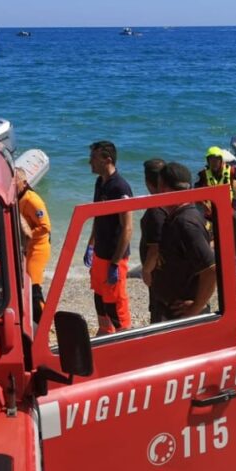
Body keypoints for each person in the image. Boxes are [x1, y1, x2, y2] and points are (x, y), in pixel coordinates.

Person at [153, 163, 217, 320]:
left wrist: (196, 308)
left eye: (159, 185)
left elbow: (210, 269)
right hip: (174, 309)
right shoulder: (181, 216)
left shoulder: (185, 222)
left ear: (165, 189)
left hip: (182, 313)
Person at [85, 141, 133, 335]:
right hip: (100, 253)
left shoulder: (120, 188)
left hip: (114, 256)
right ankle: (105, 331)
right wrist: (90, 245)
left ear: (108, 160)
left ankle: (124, 336)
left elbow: (127, 228)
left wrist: (115, 263)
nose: (90, 162)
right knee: (98, 296)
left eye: (94, 158)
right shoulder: (100, 182)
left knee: (115, 303)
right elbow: (98, 217)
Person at [139, 158, 168, 323]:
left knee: (158, 311)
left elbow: (155, 248)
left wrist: (146, 270)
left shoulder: (155, 210)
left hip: (159, 273)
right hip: (170, 270)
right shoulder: (172, 202)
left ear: (147, 182)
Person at [14, 168, 51, 286]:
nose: (13, 186)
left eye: (15, 182)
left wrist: (26, 236)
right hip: (26, 247)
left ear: (24, 183)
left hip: (37, 249)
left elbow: (45, 227)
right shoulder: (17, 198)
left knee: (33, 286)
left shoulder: (33, 200)